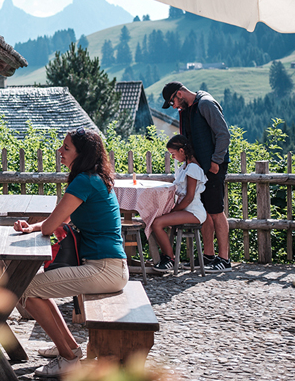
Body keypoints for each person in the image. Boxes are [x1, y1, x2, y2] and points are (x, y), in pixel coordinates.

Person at [12, 128, 128, 378]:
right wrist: (33, 227)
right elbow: (61, 219)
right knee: (36, 288)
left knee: (26, 289)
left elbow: (52, 225)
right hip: (108, 266)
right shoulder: (94, 178)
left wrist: (39, 227)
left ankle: (68, 358)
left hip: (104, 268)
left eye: (66, 148)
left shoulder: (84, 181)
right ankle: (69, 348)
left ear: (81, 154)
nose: (60, 151)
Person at [161, 82, 232, 272]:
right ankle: (208, 257)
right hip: (199, 169)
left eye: (172, 101)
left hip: (214, 167)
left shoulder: (206, 104)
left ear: (180, 93)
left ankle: (224, 260)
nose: (174, 106)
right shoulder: (185, 111)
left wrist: (216, 162)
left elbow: (223, 134)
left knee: (216, 210)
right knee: (206, 211)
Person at [151, 135, 208, 271]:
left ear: (182, 151)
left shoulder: (193, 168)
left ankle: (169, 258)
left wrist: (173, 210)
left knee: (157, 223)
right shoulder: (185, 167)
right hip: (186, 209)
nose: (173, 157)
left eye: (173, 154)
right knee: (154, 220)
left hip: (193, 211)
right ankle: (166, 256)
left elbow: (189, 197)